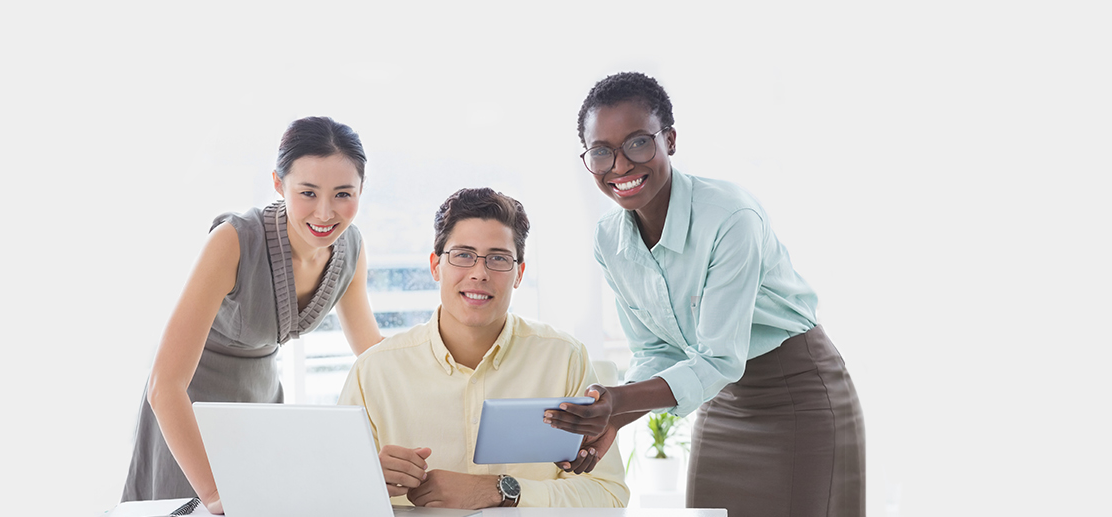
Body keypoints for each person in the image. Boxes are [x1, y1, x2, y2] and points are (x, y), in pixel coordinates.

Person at [546, 72, 866, 517]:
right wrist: (612, 420)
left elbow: (719, 358)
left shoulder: (730, 217)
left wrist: (617, 403)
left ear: (670, 140)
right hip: (723, 400)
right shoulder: (609, 240)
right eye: (601, 152)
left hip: (798, 395)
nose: (619, 166)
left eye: (638, 143)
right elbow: (656, 350)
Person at [121, 116, 385, 513]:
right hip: (189, 415)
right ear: (279, 184)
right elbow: (165, 385)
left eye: (343, 194)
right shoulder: (233, 240)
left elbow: (373, 356)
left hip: (259, 410)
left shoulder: (351, 248)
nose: (326, 212)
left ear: (362, 189)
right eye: (308, 192)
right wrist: (212, 492)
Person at [338, 187, 629, 510]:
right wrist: (368, 480)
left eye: (498, 259)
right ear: (436, 266)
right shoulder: (374, 371)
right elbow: (332, 495)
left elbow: (609, 494)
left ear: (519, 273)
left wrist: (503, 491)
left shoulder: (563, 358)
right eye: (463, 255)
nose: (479, 273)